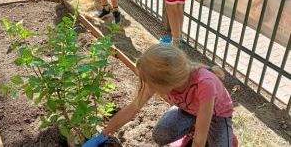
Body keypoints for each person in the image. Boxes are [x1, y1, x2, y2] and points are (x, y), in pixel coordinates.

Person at [83, 44, 238, 147]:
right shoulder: (168, 78)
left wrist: (200, 135)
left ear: (166, 84)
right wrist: (102, 135)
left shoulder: (205, 84)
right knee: (161, 135)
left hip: (217, 116)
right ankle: (191, 128)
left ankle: (228, 136)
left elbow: (199, 142)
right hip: (189, 110)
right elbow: (133, 107)